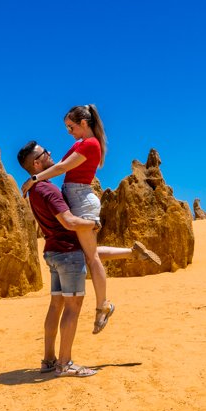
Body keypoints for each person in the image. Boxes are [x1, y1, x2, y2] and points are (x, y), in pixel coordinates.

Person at [18, 141, 161, 377]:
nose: (50, 153)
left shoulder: (35, 191)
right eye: (45, 153)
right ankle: (65, 364)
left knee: (56, 306)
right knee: (73, 309)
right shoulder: (49, 190)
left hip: (53, 253)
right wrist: (93, 223)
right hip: (68, 255)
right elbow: (69, 222)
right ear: (36, 163)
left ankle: (49, 360)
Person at [21, 104, 124, 334]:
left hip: (80, 199)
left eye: (71, 127)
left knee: (92, 257)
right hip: (76, 196)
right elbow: (59, 166)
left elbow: (62, 168)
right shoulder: (82, 143)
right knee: (90, 254)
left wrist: (34, 178)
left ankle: (103, 305)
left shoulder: (89, 144)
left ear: (84, 124)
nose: (69, 131)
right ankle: (128, 257)